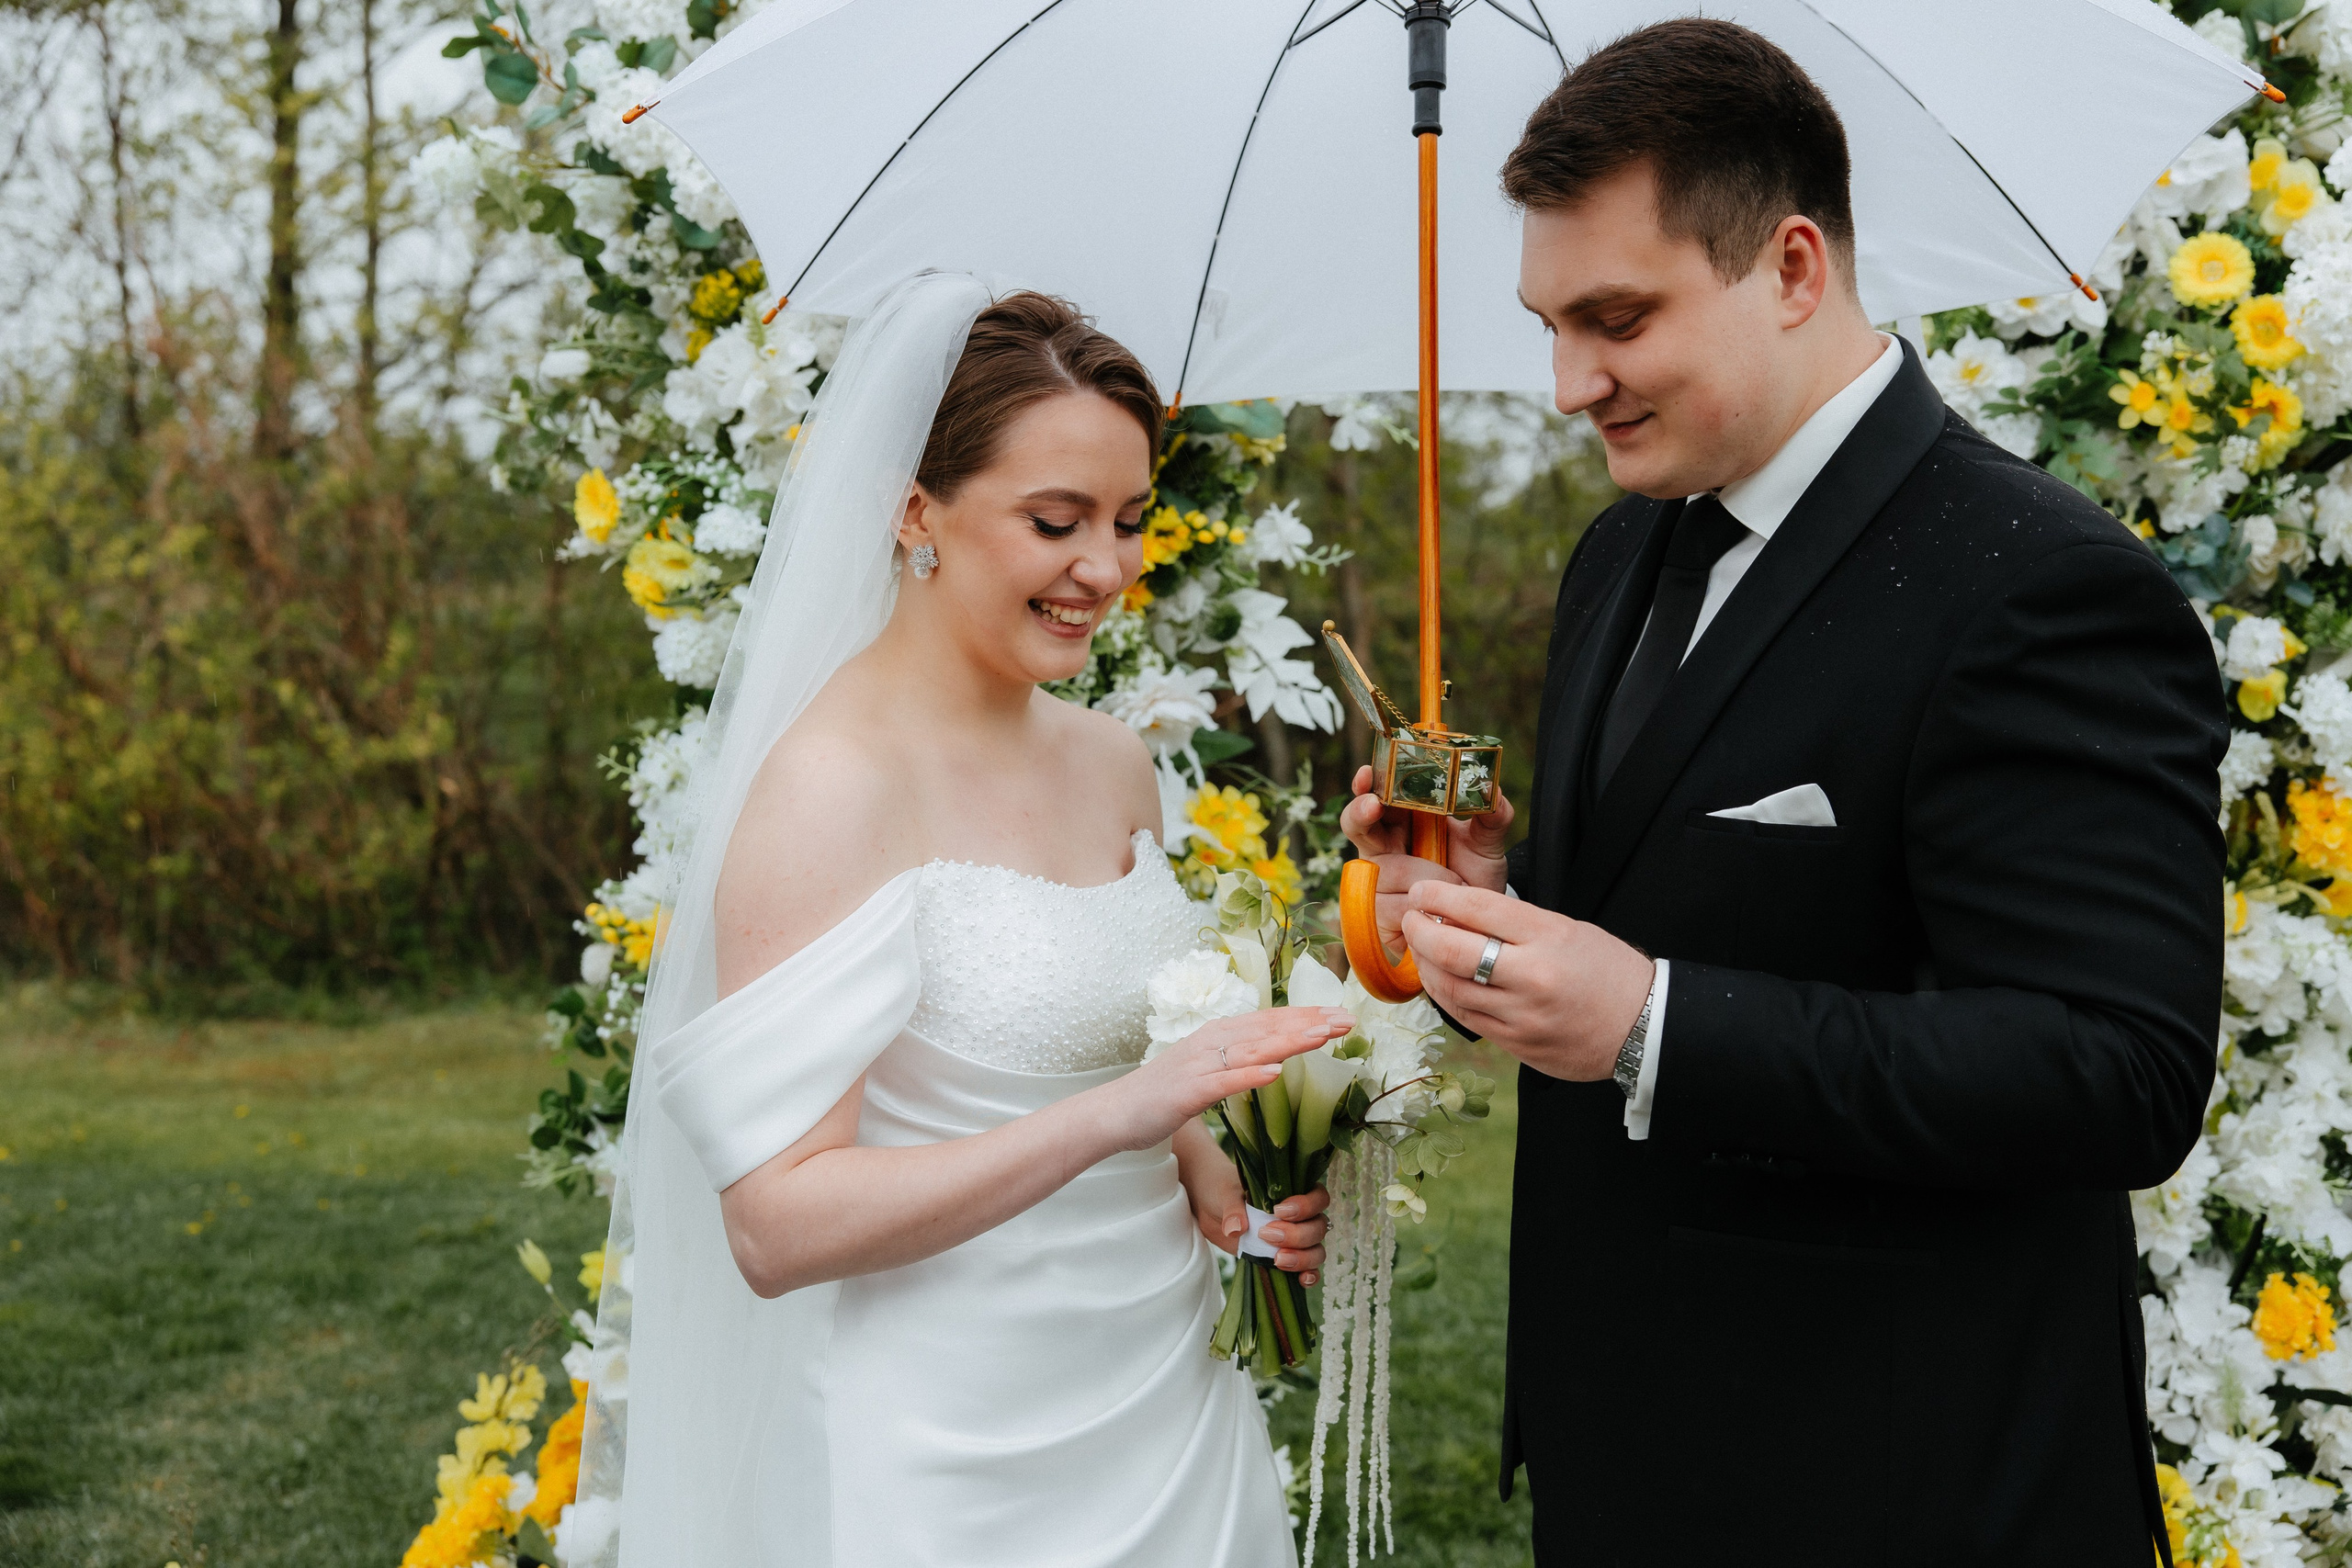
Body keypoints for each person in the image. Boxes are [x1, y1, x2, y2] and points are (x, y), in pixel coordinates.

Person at [1341, 20, 2227, 1564]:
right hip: (1630, 1456)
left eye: (1615, 318)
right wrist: (1510, 894)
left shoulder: (2043, 587)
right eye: (1549, 323)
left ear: (1795, 267)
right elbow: (1708, 907)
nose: (1568, 384)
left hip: (1900, 1481)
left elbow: (2116, 1068)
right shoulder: (1621, 549)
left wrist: (1657, 1024)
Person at [571, 274, 1340, 1567]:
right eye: (1055, 521)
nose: (1106, 568)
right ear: (918, 510)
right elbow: (776, 1226)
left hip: (1165, 1396)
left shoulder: (1112, 761)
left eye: (1131, 520)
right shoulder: (829, 791)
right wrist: (1122, 1113)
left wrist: (1229, 1177)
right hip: (943, 1448)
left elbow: (1125, 1043)